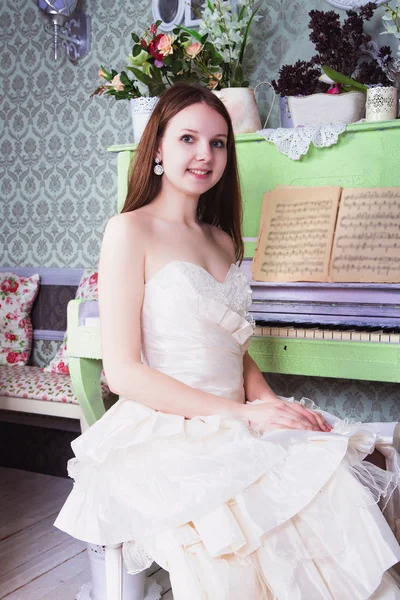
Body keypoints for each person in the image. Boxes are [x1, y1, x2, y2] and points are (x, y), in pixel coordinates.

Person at [55, 83, 400, 599]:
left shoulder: (221, 238)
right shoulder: (128, 230)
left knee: (332, 463)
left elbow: (232, 348)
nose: (205, 154)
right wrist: (238, 414)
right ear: (157, 149)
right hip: (168, 423)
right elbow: (124, 372)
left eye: (218, 143)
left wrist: (267, 402)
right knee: (244, 522)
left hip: (236, 413)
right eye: (189, 138)